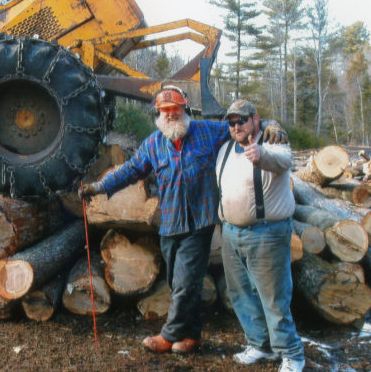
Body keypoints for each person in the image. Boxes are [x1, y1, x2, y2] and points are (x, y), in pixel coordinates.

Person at [79, 85, 286, 355]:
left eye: (175, 109)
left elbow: (241, 126)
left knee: (186, 281)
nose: (171, 115)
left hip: (199, 222)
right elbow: (130, 171)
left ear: (185, 109)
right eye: (165, 111)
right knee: (180, 284)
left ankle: (170, 333)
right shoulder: (153, 144)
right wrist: (99, 187)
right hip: (170, 223)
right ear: (158, 115)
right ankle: (191, 335)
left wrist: (270, 124)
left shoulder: (206, 132)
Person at [216, 99, 305, 372]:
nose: (236, 126)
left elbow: (284, 160)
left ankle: (292, 354)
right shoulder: (225, 149)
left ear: (256, 119)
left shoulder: (273, 142)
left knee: (274, 297)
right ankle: (260, 345)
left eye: (242, 120)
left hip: (266, 234)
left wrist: (261, 156)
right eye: (231, 122)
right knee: (241, 293)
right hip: (231, 233)